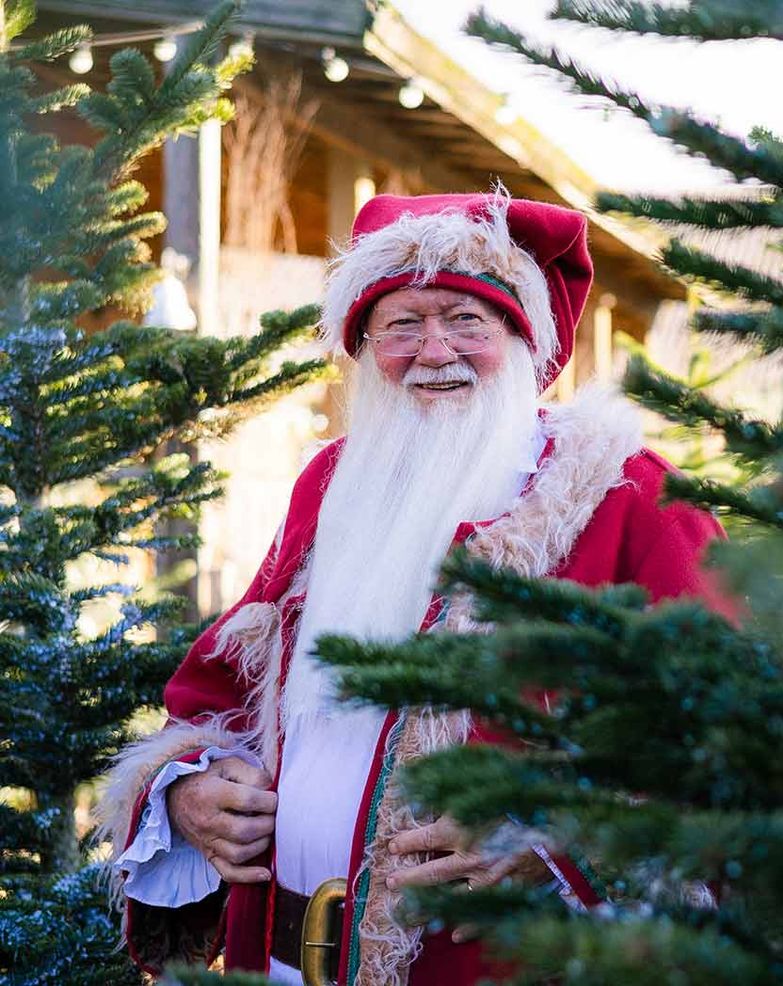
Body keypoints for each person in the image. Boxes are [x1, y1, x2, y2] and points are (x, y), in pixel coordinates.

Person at [97, 190, 733, 986]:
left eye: (467, 319)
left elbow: (732, 735)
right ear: (363, 346)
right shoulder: (332, 483)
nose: (434, 352)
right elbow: (222, 689)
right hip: (284, 962)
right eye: (400, 323)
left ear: (523, 339)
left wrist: (557, 843)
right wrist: (191, 789)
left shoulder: (629, 500)